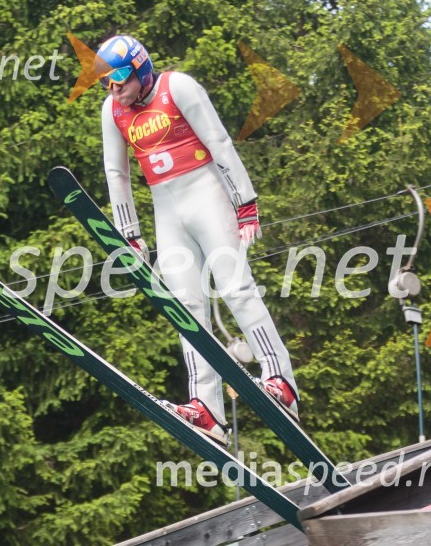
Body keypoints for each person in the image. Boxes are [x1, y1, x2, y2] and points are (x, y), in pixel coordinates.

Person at [96, 35, 298, 445]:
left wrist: (245, 202)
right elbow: (116, 174)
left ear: (139, 68)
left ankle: (281, 380)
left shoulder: (178, 86)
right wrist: (129, 235)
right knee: (186, 305)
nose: (113, 88)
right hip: (165, 207)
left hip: (206, 192)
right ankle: (206, 409)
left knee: (235, 287)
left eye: (118, 77)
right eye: (106, 81)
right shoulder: (112, 111)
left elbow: (218, 140)